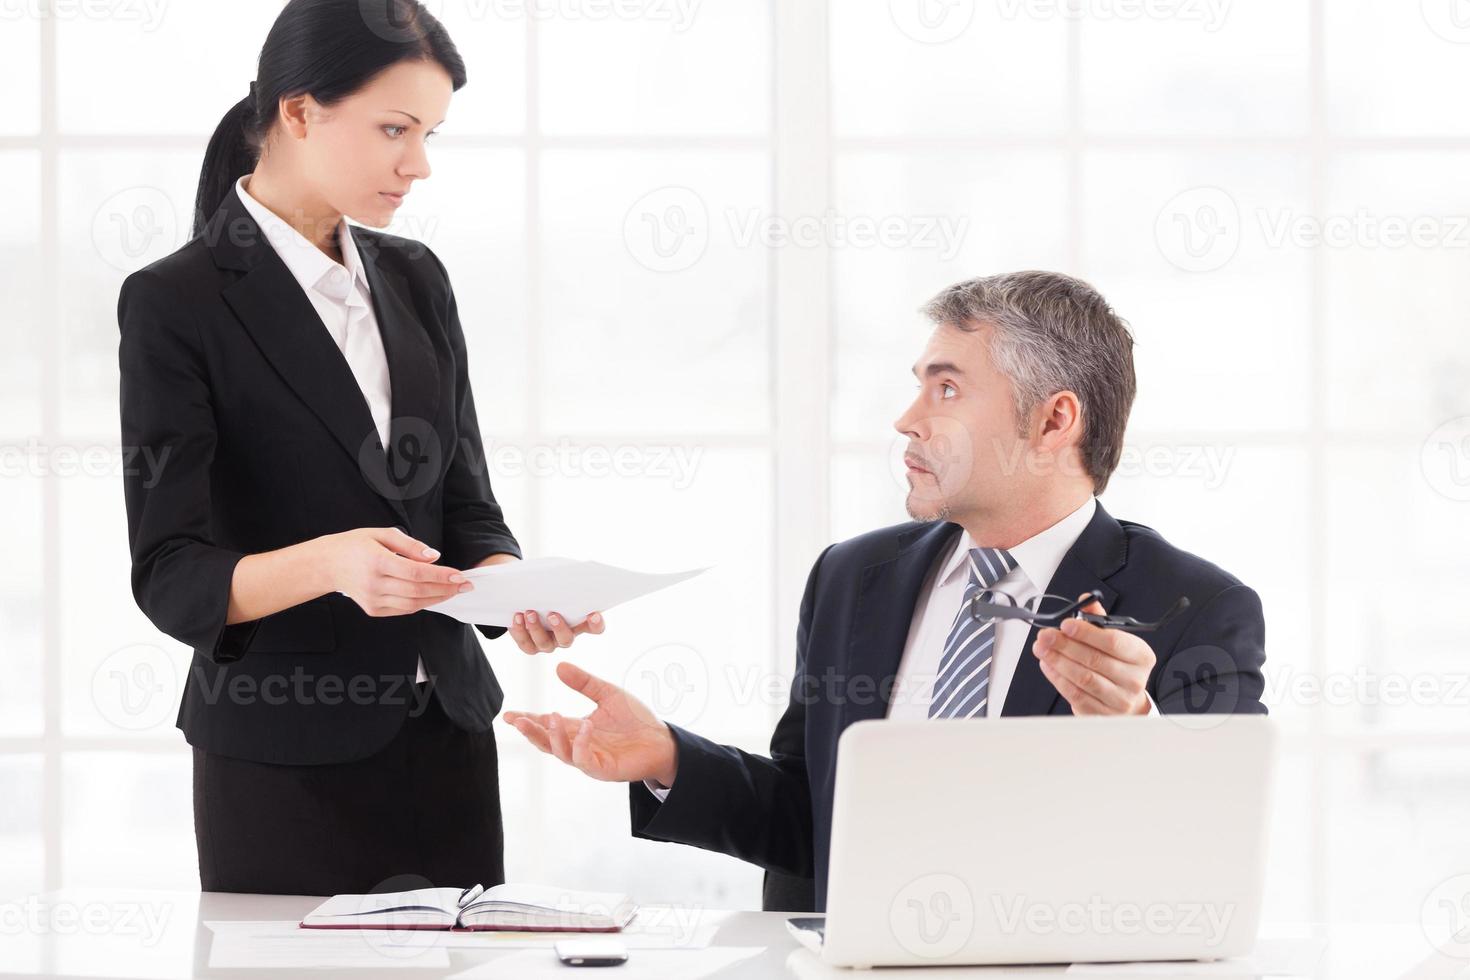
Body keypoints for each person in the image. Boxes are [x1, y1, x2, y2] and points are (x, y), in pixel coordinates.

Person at [501, 271, 1268, 913]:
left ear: (1053, 419)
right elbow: (811, 824)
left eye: (946, 390)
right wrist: (669, 759)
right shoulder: (852, 577)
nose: (907, 421)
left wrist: (1133, 727)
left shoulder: (1195, 607)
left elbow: (1211, 865)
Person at [117, 0, 602, 895]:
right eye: (395, 129)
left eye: (430, 134)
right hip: (280, 759)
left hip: (447, 740)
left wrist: (512, 587)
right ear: (299, 113)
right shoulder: (175, 303)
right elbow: (171, 572)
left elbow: (465, 504)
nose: (417, 164)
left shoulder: (416, 277)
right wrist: (331, 565)